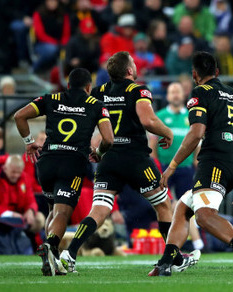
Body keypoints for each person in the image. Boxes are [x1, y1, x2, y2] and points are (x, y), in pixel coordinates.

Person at [148, 51, 233, 277]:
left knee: (204, 215)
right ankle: (167, 261)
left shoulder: (201, 92)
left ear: (194, 75)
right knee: (183, 207)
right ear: (217, 72)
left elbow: (196, 132)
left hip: (215, 160)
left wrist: (171, 166)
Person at [60, 52, 175, 274]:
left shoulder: (99, 92)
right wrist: (167, 131)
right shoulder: (138, 90)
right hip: (136, 158)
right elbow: (148, 120)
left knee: (100, 209)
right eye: (133, 63)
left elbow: (83, 120)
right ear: (130, 70)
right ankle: (172, 257)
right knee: (163, 205)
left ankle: (70, 252)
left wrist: (93, 148)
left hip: (108, 158)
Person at [13, 67, 113, 276]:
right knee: (62, 212)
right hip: (73, 163)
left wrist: (29, 142)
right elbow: (108, 139)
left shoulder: (51, 98)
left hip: (47, 162)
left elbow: (19, 116)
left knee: (52, 210)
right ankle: (50, 245)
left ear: (67, 85)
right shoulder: (96, 105)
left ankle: (53, 260)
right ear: (89, 87)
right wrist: (99, 153)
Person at [150, 82, 195, 200]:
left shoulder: (192, 116)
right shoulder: (159, 116)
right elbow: (152, 144)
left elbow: (197, 142)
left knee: (186, 205)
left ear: (184, 95)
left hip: (186, 167)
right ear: (167, 96)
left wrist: (195, 163)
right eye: (172, 92)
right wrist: (156, 167)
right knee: (163, 203)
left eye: (178, 92)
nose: (175, 95)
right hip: (164, 168)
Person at [0, 154, 45, 253]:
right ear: (5, 168)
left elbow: (30, 199)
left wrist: (30, 211)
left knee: (39, 219)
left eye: (18, 172)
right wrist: (9, 214)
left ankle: (33, 247)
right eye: (13, 172)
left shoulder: (24, 178)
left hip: (20, 218)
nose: (16, 175)